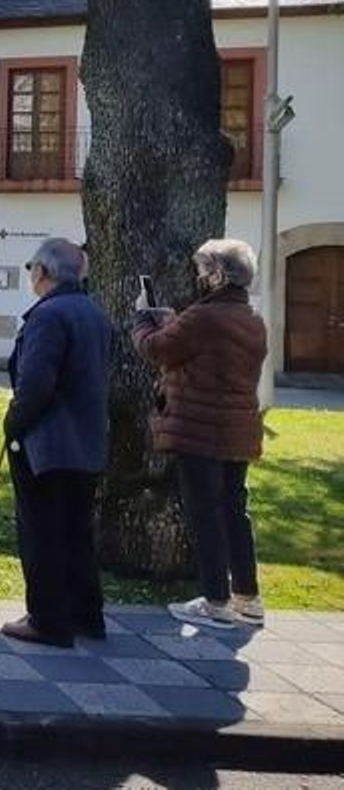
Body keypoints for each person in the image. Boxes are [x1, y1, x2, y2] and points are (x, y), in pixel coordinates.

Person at [133, 239, 267, 630]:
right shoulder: (251, 319)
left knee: (204, 513)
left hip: (198, 427)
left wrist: (143, 319)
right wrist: (178, 321)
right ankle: (248, 596)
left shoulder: (205, 318)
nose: (199, 277)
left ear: (219, 274)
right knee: (232, 511)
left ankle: (215, 601)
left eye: (203, 270)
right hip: (238, 428)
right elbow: (204, 352)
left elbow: (157, 349)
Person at [0, 238, 110, 648]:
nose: (31, 274)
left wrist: (14, 423)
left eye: (32, 268)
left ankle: (48, 620)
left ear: (42, 273)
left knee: (43, 532)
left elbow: (36, 384)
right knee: (76, 531)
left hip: (49, 443)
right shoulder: (93, 311)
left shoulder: (48, 316)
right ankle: (86, 615)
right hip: (87, 440)